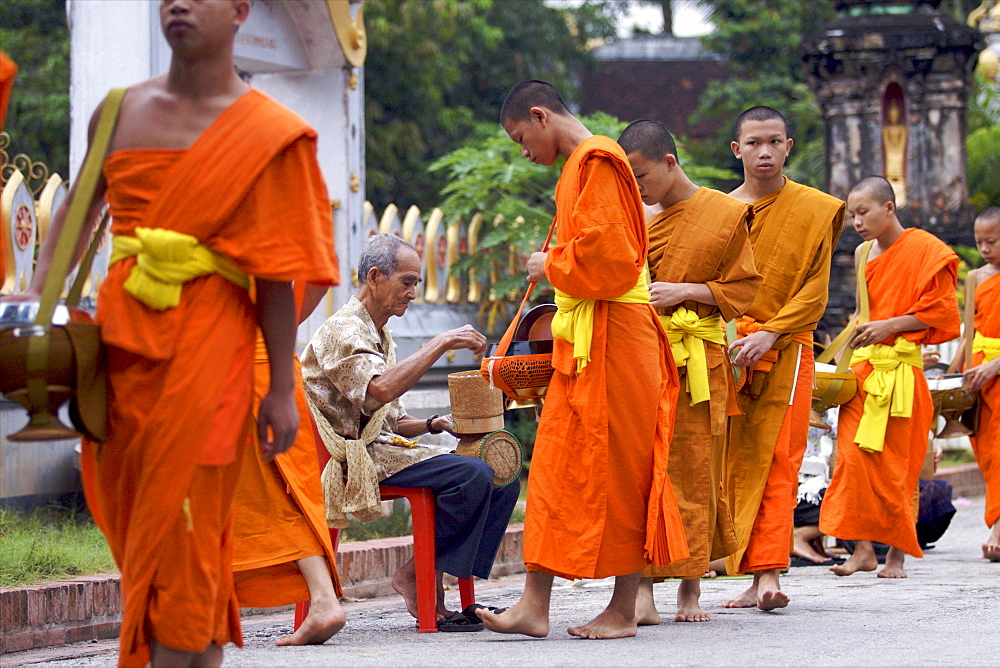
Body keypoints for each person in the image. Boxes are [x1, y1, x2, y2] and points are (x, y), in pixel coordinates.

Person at [1, 2, 341, 666]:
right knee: (143, 531)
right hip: (122, 352)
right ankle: (193, 649)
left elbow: (276, 274)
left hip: (213, 352)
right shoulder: (119, 112)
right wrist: (37, 289)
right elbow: (78, 207)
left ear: (242, 10)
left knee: (181, 525)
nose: (178, 4)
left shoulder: (272, 133)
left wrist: (277, 387)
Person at [476, 81, 688, 640]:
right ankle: (534, 605)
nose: (524, 151)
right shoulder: (579, 167)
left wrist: (549, 263)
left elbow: (614, 261)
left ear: (541, 117)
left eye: (522, 138)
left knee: (621, 469)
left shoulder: (598, 159)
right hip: (587, 340)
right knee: (552, 468)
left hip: (618, 337)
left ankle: (623, 608)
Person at [301, 233, 518, 630]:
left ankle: (427, 573)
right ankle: (415, 578)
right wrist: (441, 342)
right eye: (407, 282)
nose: (413, 293)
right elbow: (379, 390)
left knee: (502, 478)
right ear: (374, 277)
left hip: (385, 449)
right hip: (350, 456)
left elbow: (395, 420)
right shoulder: (344, 329)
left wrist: (434, 424)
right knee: (474, 475)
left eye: (417, 283)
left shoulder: (380, 334)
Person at [616, 120, 760, 623]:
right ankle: (646, 590)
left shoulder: (723, 214)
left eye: (642, 175)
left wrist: (688, 291)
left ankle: (691, 591)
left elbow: (745, 289)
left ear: (670, 163)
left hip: (701, 362)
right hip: (649, 360)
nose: (637, 188)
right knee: (649, 474)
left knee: (698, 472)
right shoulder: (638, 216)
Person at [724, 106, 845, 611]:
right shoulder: (719, 211)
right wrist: (735, 337)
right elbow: (713, 286)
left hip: (788, 349)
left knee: (779, 456)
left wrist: (771, 333)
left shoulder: (813, 209)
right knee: (735, 460)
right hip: (730, 353)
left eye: (775, 141)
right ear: (737, 150)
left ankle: (771, 573)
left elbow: (815, 292)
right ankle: (751, 575)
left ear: (789, 146)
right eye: (754, 143)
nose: (765, 151)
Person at [820, 176, 960, 578]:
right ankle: (862, 550)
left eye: (864, 212)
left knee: (900, 465)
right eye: (852, 215)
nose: (857, 222)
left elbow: (943, 313)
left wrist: (890, 326)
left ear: (889, 208)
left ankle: (896, 555)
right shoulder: (863, 254)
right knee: (850, 460)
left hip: (902, 373)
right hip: (865, 371)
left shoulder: (927, 250)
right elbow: (864, 317)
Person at [231, 283, 345, 645]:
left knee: (262, 494)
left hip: (239, 364)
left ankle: (324, 600)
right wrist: (277, 331)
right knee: (267, 493)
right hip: (262, 362)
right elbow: (315, 278)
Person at [958, 207, 1000, 561]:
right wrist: (953, 372)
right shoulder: (974, 278)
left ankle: (997, 526)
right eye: (979, 242)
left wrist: (996, 365)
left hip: (997, 370)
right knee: (986, 454)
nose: (985, 248)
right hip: (978, 375)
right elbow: (967, 334)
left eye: (993, 241)